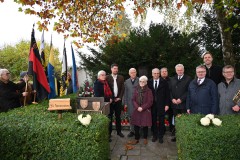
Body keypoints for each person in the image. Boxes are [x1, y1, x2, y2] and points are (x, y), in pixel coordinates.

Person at [128, 76, 153, 145]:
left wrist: (142, 107)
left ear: (146, 82)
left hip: (145, 110)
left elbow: (150, 101)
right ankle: (136, 138)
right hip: (137, 110)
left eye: (143, 81)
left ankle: (145, 138)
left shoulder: (149, 90)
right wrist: (137, 107)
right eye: (140, 81)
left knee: (145, 125)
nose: (142, 82)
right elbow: (133, 99)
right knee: (136, 125)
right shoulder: (136, 89)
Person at [170, 64, 191, 142]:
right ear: (176, 70)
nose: (179, 71)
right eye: (178, 70)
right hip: (174, 104)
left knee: (184, 121)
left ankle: (184, 136)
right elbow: (170, 91)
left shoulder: (188, 79)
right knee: (176, 121)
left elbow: (188, 91)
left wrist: (181, 99)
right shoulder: (172, 79)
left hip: (183, 104)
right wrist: (172, 99)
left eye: (181, 70)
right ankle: (176, 136)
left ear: (183, 70)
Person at [148, 68, 170, 143]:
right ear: (152, 74)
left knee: (161, 121)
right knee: (153, 120)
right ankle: (154, 135)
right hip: (152, 105)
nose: (156, 75)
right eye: (155, 73)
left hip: (162, 104)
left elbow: (167, 94)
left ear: (159, 74)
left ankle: (160, 136)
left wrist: (167, 104)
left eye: (157, 73)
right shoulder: (149, 82)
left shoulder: (164, 82)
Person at [106, 64, 125, 138]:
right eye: (114, 68)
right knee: (109, 117)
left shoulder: (121, 77)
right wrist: (110, 98)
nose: (116, 70)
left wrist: (120, 97)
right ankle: (109, 133)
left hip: (118, 100)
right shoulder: (107, 77)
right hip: (110, 101)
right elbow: (106, 89)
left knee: (118, 116)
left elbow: (123, 88)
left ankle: (119, 131)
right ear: (111, 69)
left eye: (117, 68)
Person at [124, 68, 139, 138]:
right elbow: (125, 93)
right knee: (131, 117)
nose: (133, 73)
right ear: (129, 74)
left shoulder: (140, 80)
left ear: (136, 73)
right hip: (130, 103)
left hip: (138, 103)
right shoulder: (126, 82)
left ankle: (138, 131)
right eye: (131, 72)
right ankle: (132, 131)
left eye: (134, 72)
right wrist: (125, 103)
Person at [160, 67, 174, 133]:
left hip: (171, 101)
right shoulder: (158, 80)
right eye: (162, 71)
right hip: (162, 102)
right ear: (160, 73)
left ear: (167, 72)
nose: (164, 72)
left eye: (165, 71)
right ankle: (162, 129)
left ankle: (172, 129)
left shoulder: (172, 80)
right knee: (162, 116)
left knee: (171, 116)